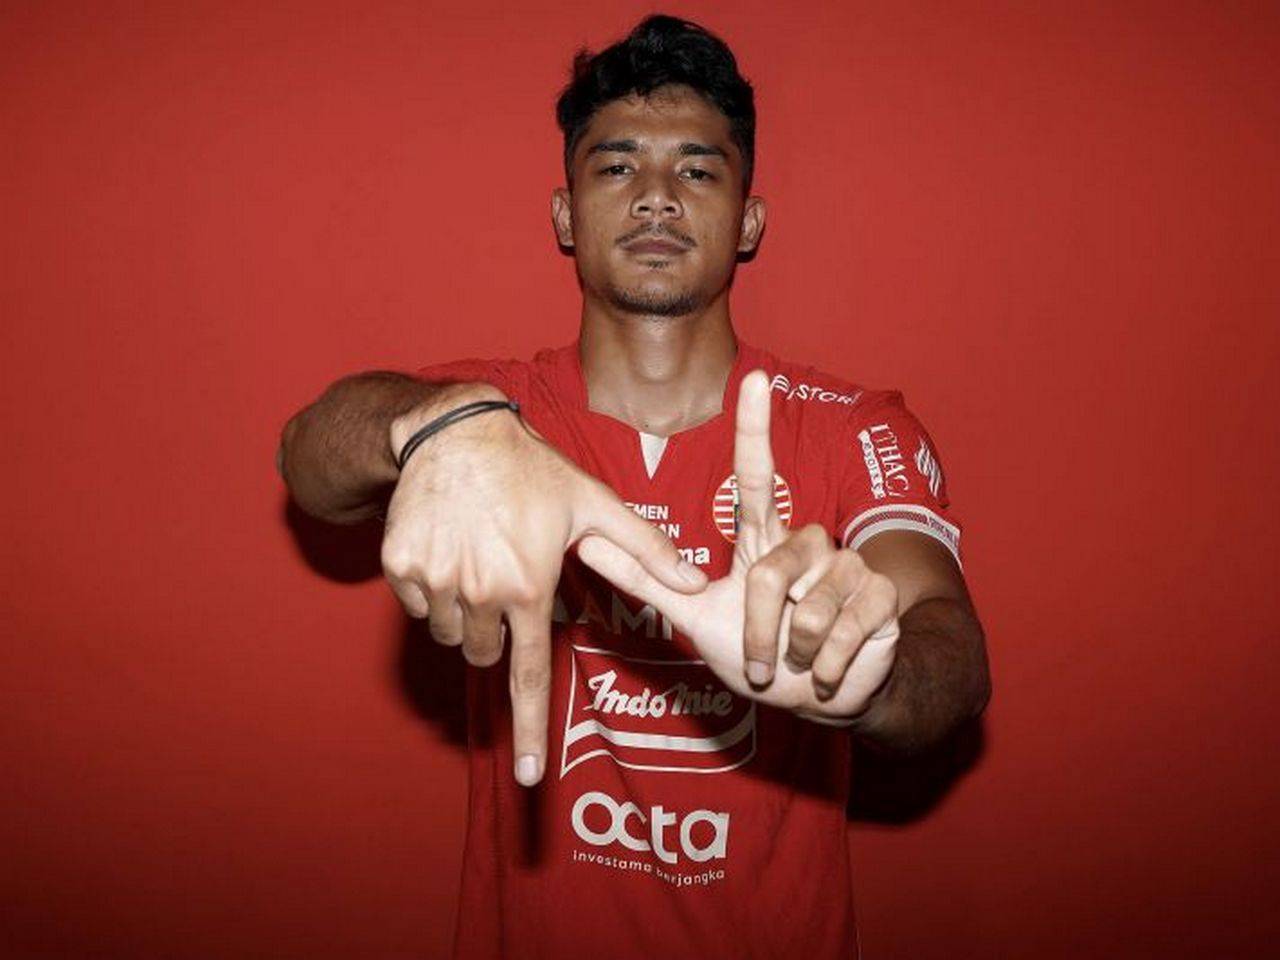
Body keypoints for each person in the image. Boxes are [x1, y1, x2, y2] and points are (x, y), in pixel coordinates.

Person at [278, 13, 990, 959]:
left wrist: (872, 677)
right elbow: (308, 457)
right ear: (565, 215)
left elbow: (953, 650)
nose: (657, 196)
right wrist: (439, 425)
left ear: (749, 221)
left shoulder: (852, 428)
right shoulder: (495, 418)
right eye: (617, 167)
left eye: (697, 170)